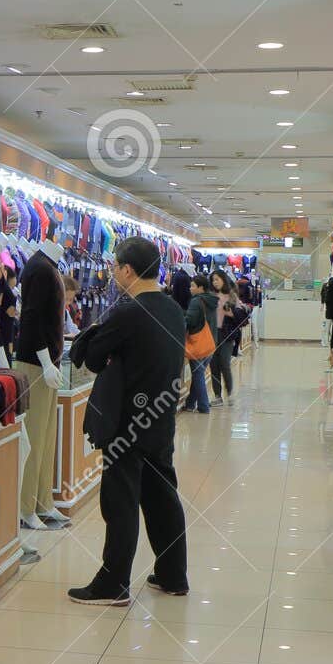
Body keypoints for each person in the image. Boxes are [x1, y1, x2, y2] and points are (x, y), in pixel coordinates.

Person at [66, 237, 189, 605]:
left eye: (116, 267)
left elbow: (91, 357)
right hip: (160, 417)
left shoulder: (129, 311)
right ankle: (173, 574)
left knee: (120, 502)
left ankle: (113, 583)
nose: (113, 273)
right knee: (161, 497)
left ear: (127, 270)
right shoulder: (171, 309)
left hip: (127, 423)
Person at [182, 274, 218, 414]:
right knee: (199, 373)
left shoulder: (196, 302)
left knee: (198, 375)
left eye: (192, 286)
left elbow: (190, 321)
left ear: (200, 288)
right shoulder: (211, 300)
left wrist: (181, 315)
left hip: (198, 344)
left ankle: (203, 406)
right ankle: (191, 403)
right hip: (211, 342)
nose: (190, 288)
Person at [209, 269, 240, 407]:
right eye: (213, 280)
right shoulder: (210, 296)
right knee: (213, 365)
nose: (215, 282)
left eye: (217, 279)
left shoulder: (232, 296)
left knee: (224, 364)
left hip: (227, 334)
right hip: (212, 333)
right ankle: (217, 396)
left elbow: (241, 318)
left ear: (223, 279)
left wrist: (231, 313)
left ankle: (230, 393)